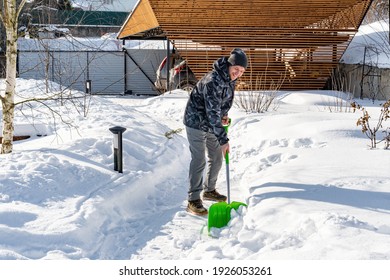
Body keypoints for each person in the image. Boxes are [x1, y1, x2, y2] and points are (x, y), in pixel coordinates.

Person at [183, 48, 248, 216]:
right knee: (199, 159)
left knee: (217, 156)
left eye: (242, 71)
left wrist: (223, 116)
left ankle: (209, 190)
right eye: (236, 69)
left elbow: (221, 104)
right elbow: (212, 112)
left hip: (211, 123)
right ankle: (193, 199)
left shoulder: (229, 79)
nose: (238, 73)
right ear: (229, 64)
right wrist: (223, 138)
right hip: (195, 122)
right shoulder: (213, 80)